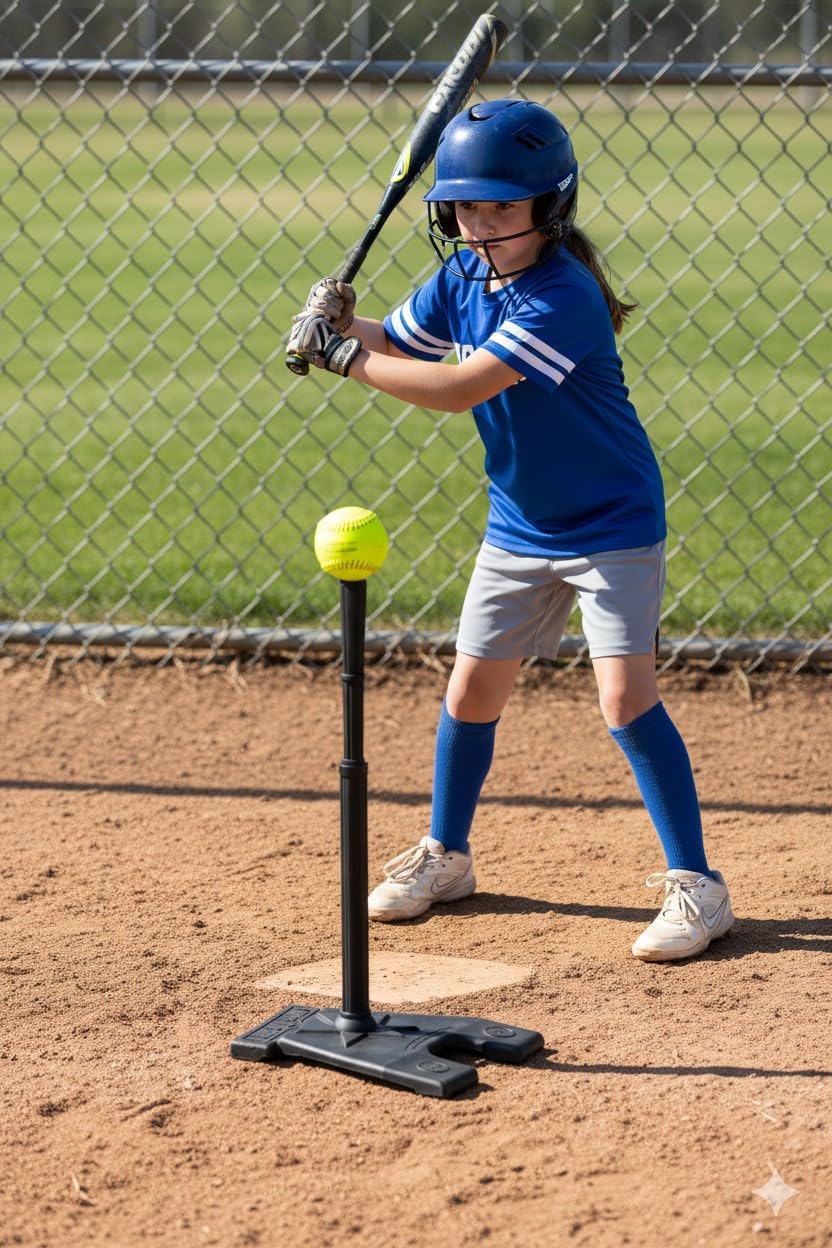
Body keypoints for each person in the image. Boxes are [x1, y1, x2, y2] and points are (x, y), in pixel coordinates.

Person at [287, 98, 734, 962]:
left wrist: (344, 360)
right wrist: (347, 325)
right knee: (471, 693)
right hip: (522, 523)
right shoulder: (463, 277)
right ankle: (447, 856)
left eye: (501, 207)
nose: (479, 223)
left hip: (611, 522)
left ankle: (698, 887)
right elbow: (408, 341)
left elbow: (457, 389)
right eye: (464, 206)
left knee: (623, 698)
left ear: (549, 207)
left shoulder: (563, 294)